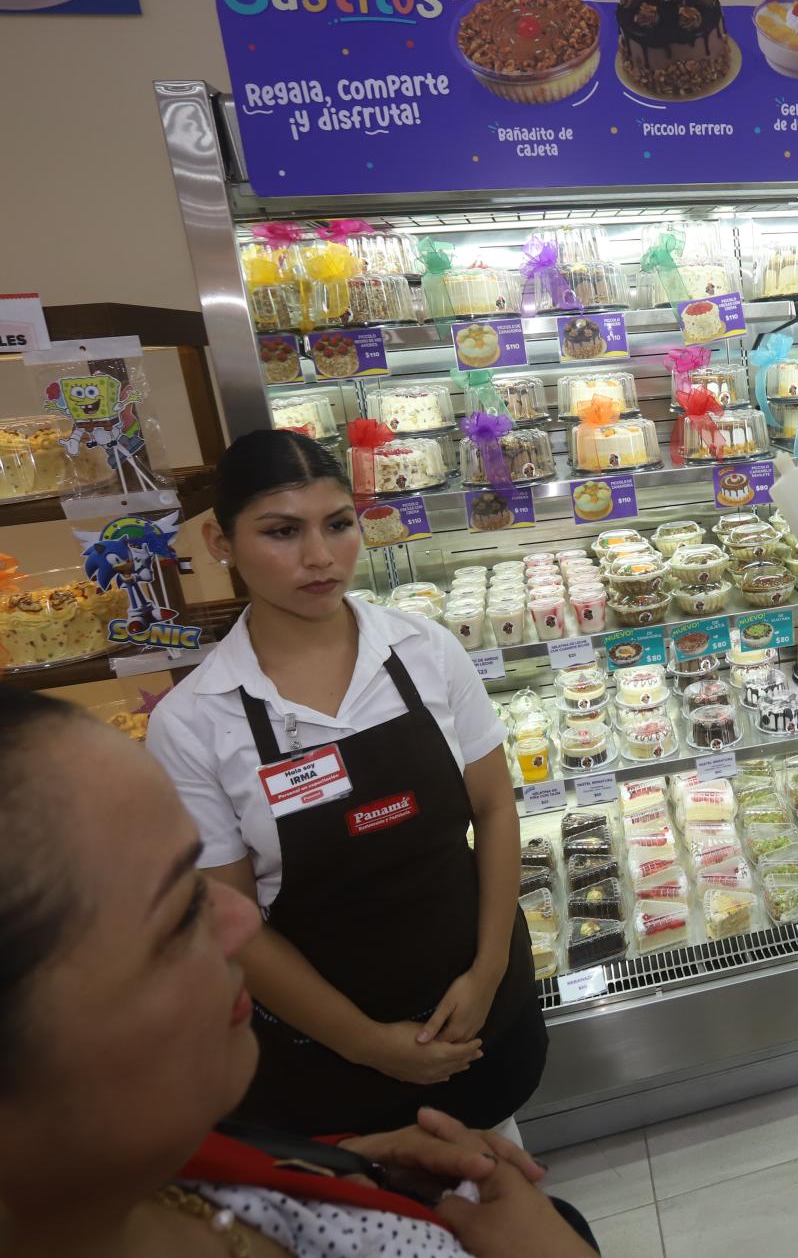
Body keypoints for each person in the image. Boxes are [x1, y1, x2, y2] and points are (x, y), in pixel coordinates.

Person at [0, 682, 597, 1257]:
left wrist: (342, 1161)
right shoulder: (202, 714)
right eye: (177, 913)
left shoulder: (148, 1172)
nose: (244, 918)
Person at [149, 429, 544, 1137]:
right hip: (331, 1058)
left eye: (338, 524)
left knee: (502, 1179)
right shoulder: (192, 722)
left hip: (482, 1012)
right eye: (281, 531)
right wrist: (367, 1042)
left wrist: (487, 970)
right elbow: (233, 919)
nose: (320, 557)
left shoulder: (426, 650)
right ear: (219, 540)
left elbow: (493, 805)